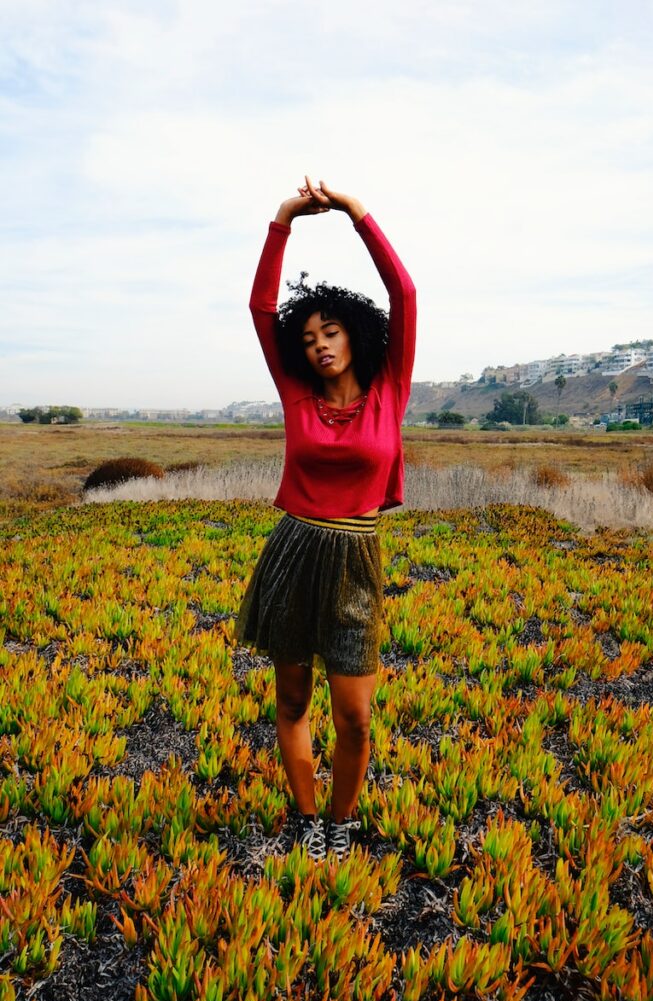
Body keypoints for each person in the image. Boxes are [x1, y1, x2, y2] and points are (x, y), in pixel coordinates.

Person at [236, 177, 416, 860]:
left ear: (354, 333)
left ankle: (342, 823)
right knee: (291, 702)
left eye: (330, 331)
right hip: (294, 551)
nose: (319, 345)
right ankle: (309, 819)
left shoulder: (389, 388)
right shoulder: (296, 395)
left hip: (355, 559)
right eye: (308, 337)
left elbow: (404, 295)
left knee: (356, 718)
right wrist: (280, 219)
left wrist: (356, 214)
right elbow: (259, 308)